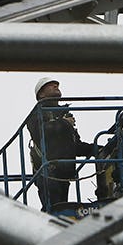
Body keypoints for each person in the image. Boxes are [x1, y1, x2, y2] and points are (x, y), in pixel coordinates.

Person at [25, 77, 94, 211]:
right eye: (51, 85)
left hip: (63, 172)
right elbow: (40, 133)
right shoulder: (36, 114)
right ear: (41, 94)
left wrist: (97, 148)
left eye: (57, 84)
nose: (56, 86)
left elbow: (75, 145)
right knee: (53, 209)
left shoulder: (63, 114)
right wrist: (64, 123)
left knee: (62, 209)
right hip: (47, 172)